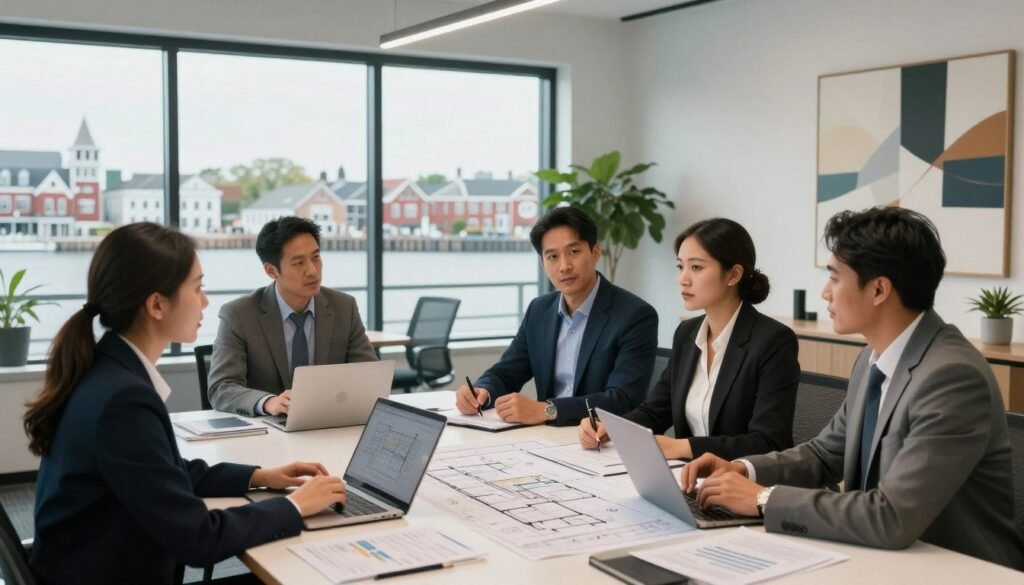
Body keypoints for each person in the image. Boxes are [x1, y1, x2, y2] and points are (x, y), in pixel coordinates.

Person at [681, 207, 1024, 570]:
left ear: (879, 289)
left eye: (834, 277)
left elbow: (892, 517)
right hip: (876, 557)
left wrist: (764, 499)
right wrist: (744, 470)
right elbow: (824, 454)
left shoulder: (951, 376)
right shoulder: (873, 358)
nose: (825, 293)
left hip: (957, 570)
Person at [23, 223, 348, 585]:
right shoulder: (123, 399)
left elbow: (163, 471)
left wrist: (259, 476)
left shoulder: (106, 371)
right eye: (197, 287)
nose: (205, 301)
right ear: (157, 305)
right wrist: (295, 505)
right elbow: (200, 538)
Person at [578, 218, 799, 461]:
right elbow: (656, 411)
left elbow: (767, 442)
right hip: (688, 478)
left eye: (696, 267)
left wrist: (684, 448)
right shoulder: (687, 333)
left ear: (734, 274)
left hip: (740, 484)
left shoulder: (773, 341)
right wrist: (612, 427)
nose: (683, 279)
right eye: (680, 266)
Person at [454, 206, 658, 427]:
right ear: (543, 263)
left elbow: (623, 399)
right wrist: (482, 390)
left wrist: (547, 410)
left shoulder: (635, 315)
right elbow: (506, 373)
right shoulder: (539, 311)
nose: (564, 266)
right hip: (548, 438)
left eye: (574, 252)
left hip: (601, 441)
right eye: (552, 256)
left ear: (595, 252)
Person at [208, 216, 376, 417]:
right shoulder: (239, 315)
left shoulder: (343, 307)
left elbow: (369, 376)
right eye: (298, 263)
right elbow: (221, 388)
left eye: (316, 257)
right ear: (271, 271)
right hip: (268, 433)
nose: (312, 271)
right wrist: (268, 402)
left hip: (328, 424)